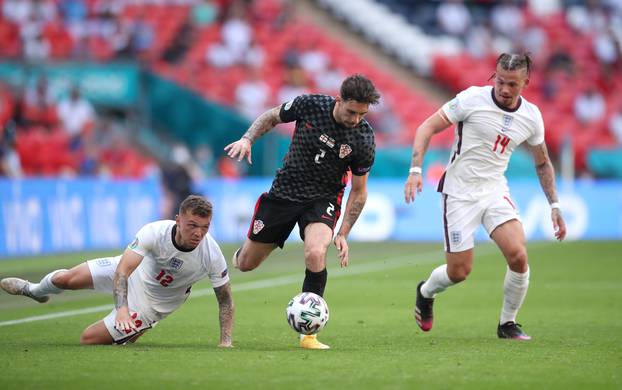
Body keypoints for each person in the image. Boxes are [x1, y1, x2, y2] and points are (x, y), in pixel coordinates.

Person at [404, 53, 567, 340]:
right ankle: (426, 291)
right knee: (459, 272)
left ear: (525, 83)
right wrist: (416, 169)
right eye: (501, 81)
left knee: (518, 255)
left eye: (512, 85)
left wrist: (554, 204)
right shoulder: (471, 99)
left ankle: (508, 324)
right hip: (459, 193)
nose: (504, 89)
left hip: (494, 190)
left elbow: (542, 162)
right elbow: (426, 128)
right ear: (494, 75)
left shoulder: (531, 117)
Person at [225, 74, 380, 349]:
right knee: (246, 264)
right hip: (284, 193)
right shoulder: (309, 105)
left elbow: (359, 191)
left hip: (323, 199)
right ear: (338, 100)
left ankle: (308, 334)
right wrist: (247, 139)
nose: (356, 118)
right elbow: (271, 116)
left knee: (315, 252)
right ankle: (235, 255)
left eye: (362, 113)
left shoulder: (364, 138)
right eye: (351, 111)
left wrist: (343, 232)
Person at [0, 195, 234, 347]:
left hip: (151, 304)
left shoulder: (211, 254)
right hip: (133, 272)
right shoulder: (154, 232)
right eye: (192, 225)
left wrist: (226, 341)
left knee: (88, 339)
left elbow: (225, 300)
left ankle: (136, 329)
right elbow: (122, 270)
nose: (198, 233)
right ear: (177, 220)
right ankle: (34, 290)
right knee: (65, 278)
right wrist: (121, 310)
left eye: (205, 227)